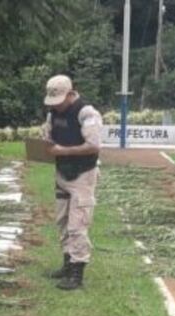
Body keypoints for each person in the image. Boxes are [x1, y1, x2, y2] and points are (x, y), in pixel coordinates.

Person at [41, 74, 103, 291]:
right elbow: (49, 136)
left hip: (83, 175)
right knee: (62, 221)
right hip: (62, 174)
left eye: (58, 101)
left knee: (78, 225)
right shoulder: (52, 114)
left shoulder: (87, 113)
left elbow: (94, 145)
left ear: (70, 94)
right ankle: (67, 263)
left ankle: (77, 271)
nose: (55, 106)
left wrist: (63, 151)